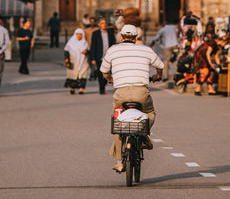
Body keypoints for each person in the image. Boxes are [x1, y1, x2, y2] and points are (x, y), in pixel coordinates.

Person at [100, 23, 164, 173]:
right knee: (150, 113)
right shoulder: (145, 50)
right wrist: (157, 76)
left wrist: (110, 79)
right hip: (141, 92)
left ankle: (119, 160)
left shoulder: (113, 50)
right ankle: (143, 135)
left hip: (121, 93)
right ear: (136, 38)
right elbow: (160, 65)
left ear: (121, 37)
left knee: (118, 121)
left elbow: (103, 70)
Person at [90, 18, 116, 94]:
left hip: (108, 57)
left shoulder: (110, 33)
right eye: (102, 23)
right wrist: (93, 58)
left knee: (108, 72)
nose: (104, 24)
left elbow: (113, 44)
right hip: (99, 57)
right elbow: (93, 46)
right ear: (99, 25)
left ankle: (104, 82)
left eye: (104, 23)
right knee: (100, 72)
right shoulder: (96, 33)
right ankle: (101, 88)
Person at [64, 28, 89, 95]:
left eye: (80, 34)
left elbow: (89, 51)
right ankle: (72, 88)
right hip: (73, 61)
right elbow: (66, 51)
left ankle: (81, 89)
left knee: (82, 74)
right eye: (77, 34)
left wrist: (86, 52)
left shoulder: (85, 43)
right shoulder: (70, 43)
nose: (79, 36)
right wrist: (66, 59)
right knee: (73, 74)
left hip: (83, 61)